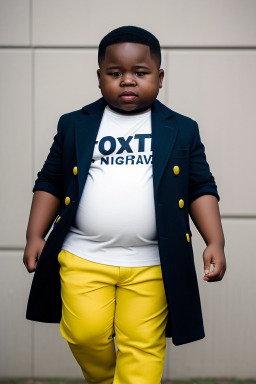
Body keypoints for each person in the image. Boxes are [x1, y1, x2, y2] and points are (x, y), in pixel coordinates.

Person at [23, 26, 226, 384]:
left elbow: (200, 187)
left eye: (140, 73)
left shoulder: (181, 129)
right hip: (83, 256)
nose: (127, 81)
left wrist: (215, 241)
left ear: (160, 78)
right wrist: (35, 234)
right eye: (115, 73)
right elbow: (51, 181)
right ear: (99, 77)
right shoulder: (74, 125)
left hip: (151, 264)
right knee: (84, 333)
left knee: (142, 347)